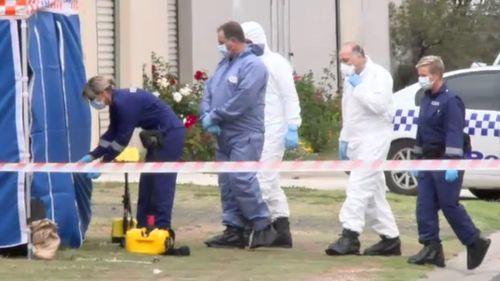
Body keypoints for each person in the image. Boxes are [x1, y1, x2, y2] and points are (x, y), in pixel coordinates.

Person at [408, 56, 490, 269]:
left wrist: (453, 163)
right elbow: (422, 130)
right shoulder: (426, 98)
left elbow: (454, 133)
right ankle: (431, 247)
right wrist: (416, 158)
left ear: (435, 75)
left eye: (423, 76)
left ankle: (475, 241)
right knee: (424, 205)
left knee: (448, 204)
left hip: (446, 160)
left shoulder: (451, 100)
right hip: (428, 159)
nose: (421, 80)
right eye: (420, 76)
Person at [200, 21, 277, 249]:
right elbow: (209, 89)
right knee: (226, 182)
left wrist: (216, 115)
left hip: (245, 133)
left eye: (221, 43)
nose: (220, 48)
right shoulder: (224, 64)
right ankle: (234, 229)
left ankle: (262, 225)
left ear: (233, 41)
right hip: (224, 134)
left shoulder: (254, 66)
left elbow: (243, 99)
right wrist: (206, 113)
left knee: (241, 179)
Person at [79, 76, 185, 230]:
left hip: (170, 134)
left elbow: (122, 140)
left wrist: (103, 163)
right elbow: (111, 133)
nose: (93, 103)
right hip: (157, 135)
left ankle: (162, 228)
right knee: (147, 182)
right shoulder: (116, 103)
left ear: (102, 93)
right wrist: (93, 155)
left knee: (161, 183)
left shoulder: (124, 103)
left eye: (93, 98)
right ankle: (144, 226)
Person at [325, 43, 401, 256]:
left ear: (360, 56)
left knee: (358, 186)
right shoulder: (351, 80)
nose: (343, 65)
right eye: (341, 60)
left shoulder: (379, 76)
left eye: (347, 60)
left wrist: (359, 87)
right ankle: (390, 238)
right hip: (356, 140)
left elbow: (379, 106)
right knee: (374, 192)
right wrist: (344, 139)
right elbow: (349, 113)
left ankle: (350, 235)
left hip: (375, 139)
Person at [241, 21, 301, 248]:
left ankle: (260, 228)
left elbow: (289, 95)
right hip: (254, 129)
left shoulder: (277, 63)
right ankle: (282, 229)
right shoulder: (246, 64)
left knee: (263, 179)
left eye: (248, 42)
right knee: (271, 181)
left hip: (275, 129)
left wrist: (293, 124)